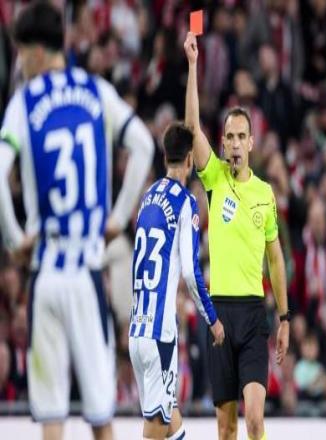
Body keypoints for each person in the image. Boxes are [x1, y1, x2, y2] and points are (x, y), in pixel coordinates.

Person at [0, 2, 154, 440]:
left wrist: (14, 239)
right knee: (101, 417)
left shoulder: (24, 102)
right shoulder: (96, 91)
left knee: (52, 418)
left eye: (21, 53)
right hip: (87, 272)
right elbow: (143, 145)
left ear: (35, 51)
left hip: (46, 274)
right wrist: (117, 218)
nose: (20, 63)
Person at [184, 31, 290, 440]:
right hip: (219, 316)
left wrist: (284, 317)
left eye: (240, 136)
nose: (233, 144)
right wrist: (193, 65)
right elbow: (192, 127)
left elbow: (275, 258)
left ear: (251, 141)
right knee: (226, 428)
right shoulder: (214, 180)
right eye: (228, 137)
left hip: (252, 316)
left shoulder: (265, 193)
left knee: (255, 420)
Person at [128, 122, 225, 440]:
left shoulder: (147, 197)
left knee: (169, 415)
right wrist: (213, 319)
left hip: (137, 329)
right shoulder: (185, 202)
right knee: (156, 426)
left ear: (164, 156)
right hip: (160, 333)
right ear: (189, 161)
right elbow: (190, 272)